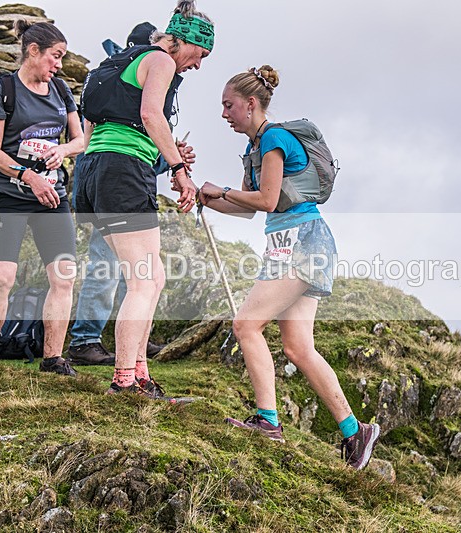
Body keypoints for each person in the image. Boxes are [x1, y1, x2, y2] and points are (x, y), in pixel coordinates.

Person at [199, 65, 380, 470]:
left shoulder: (275, 139)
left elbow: (264, 199)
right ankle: (356, 432)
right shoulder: (255, 149)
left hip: (302, 242)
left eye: (229, 106)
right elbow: (248, 208)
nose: (224, 114)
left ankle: (268, 422)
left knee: (246, 324)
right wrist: (206, 197)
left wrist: (222, 190)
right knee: (298, 348)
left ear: (250, 104)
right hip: (296, 242)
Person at [75, 0, 207, 397]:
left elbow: (96, 127)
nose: (198, 65)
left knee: (151, 278)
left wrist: (161, 158)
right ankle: (124, 381)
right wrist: (179, 170)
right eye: (200, 55)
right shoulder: (161, 60)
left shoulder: (116, 63)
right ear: (184, 42)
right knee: (145, 282)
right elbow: (152, 116)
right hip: (123, 171)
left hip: (96, 171)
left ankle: (140, 374)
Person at [0, 20, 83, 376]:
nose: (59, 64)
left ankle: (53, 359)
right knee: (2, 276)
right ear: (33, 51)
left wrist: (62, 148)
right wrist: (28, 176)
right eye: (55, 56)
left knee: (64, 277)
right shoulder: (2, 90)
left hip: (53, 197)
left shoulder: (61, 90)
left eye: (61, 57)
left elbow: (82, 140)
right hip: (10, 194)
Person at [67, 22, 167, 366]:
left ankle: (130, 350)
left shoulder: (106, 80)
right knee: (123, 271)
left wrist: (168, 156)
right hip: (120, 180)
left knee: (142, 276)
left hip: (102, 178)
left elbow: (93, 142)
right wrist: (178, 164)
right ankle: (96, 348)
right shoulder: (149, 68)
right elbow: (136, 125)